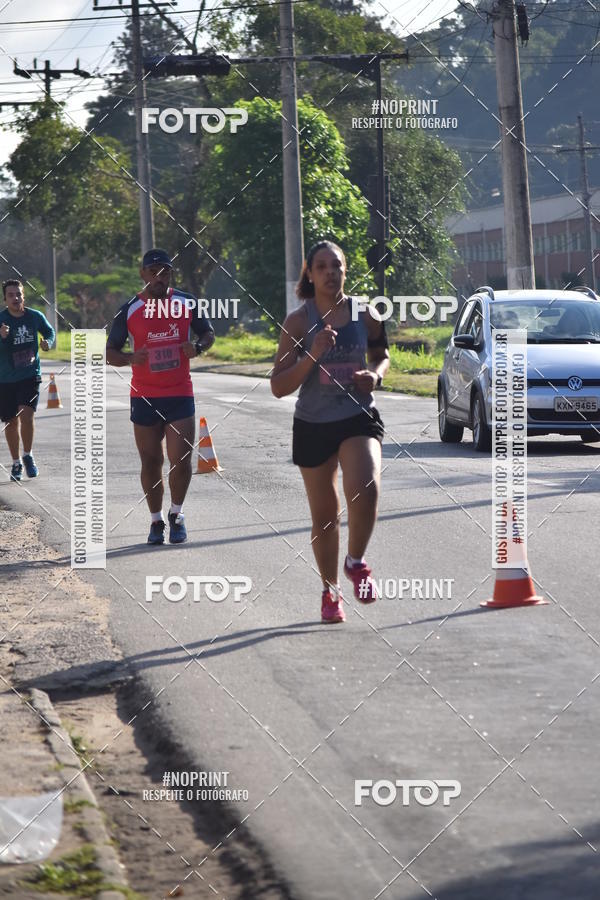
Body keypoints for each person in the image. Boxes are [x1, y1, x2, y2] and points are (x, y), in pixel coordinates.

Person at [271, 241, 390, 623]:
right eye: (321, 267)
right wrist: (313, 354)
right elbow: (278, 385)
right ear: (310, 273)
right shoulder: (298, 322)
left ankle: (355, 561)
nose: (329, 273)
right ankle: (330, 590)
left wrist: (375, 375)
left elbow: (381, 354)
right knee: (325, 516)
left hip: (356, 414)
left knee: (366, 486)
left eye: (336, 265)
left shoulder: (365, 313)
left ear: (345, 269)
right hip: (312, 423)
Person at [106, 248, 214, 545]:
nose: (158, 276)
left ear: (170, 274)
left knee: (181, 460)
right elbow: (109, 353)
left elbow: (208, 333)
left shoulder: (186, 302)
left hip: (180, 393)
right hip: (144, 397)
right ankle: (155, 521)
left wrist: (198, 347)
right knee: (151, 462)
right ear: (143, 274)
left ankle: (176, 515)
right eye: (152, 271)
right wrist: (130, 358)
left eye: (164, 271)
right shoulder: (129, 309)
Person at [0, 279, 55, 481]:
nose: (16, 298)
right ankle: (16, 462)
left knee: (27, 415)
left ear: (23, 296)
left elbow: (49, 332)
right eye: (11, 295)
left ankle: (28, 455)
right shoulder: (1, 320)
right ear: (5, 299)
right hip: (5, 379)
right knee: (11, 422)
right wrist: (2, 337)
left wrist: (47, 342)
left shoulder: (34, 316)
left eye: (19, 294)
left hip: (29, 375)